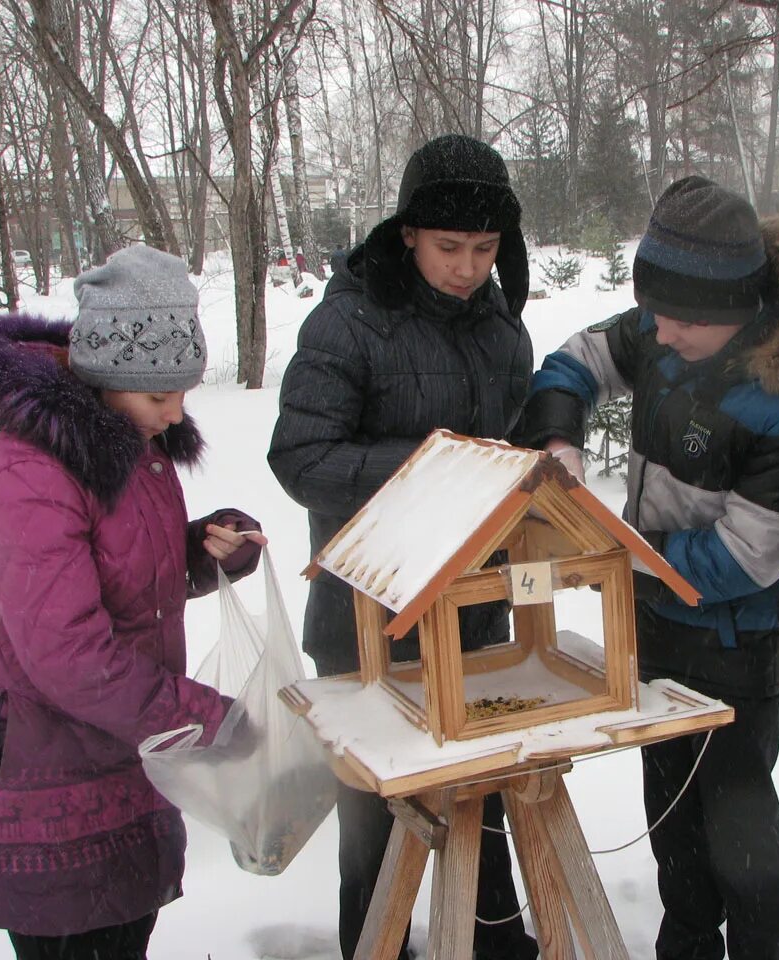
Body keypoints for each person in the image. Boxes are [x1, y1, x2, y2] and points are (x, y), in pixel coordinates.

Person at [514, 175, 779, 960]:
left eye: (683, 322)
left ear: (736, 311)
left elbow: (748, 554)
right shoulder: (668, 325)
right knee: (672, 825)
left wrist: (615, 556)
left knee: (741, 837)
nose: (660, 334)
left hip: (736, 648)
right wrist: (559, 439)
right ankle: (687, 946)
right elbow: (576, 360)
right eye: (655, 314)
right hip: (657, 628)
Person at [0, 244, 267, 960]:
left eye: (184, 390)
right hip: (39, 774)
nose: (176, 411)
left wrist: (202, 549)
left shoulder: (131, 447)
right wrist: (204, 716)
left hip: (112, 753)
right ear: (107, 375)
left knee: (121, 938)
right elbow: (68, 653)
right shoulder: (29, 476)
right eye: (159, 395)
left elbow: (122, 574)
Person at [267, 134, 537, 960]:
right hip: (366, 621)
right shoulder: (349, 322)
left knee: (481, 803)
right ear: (408, 234)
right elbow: (301, 458)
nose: (466, 267)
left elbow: (509, 456)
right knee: (377, 824)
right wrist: (431, 468)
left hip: (472, 613)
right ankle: (375, 949)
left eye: (485, 249)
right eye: (449, 247)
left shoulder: (500, 327)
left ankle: (496, 943)